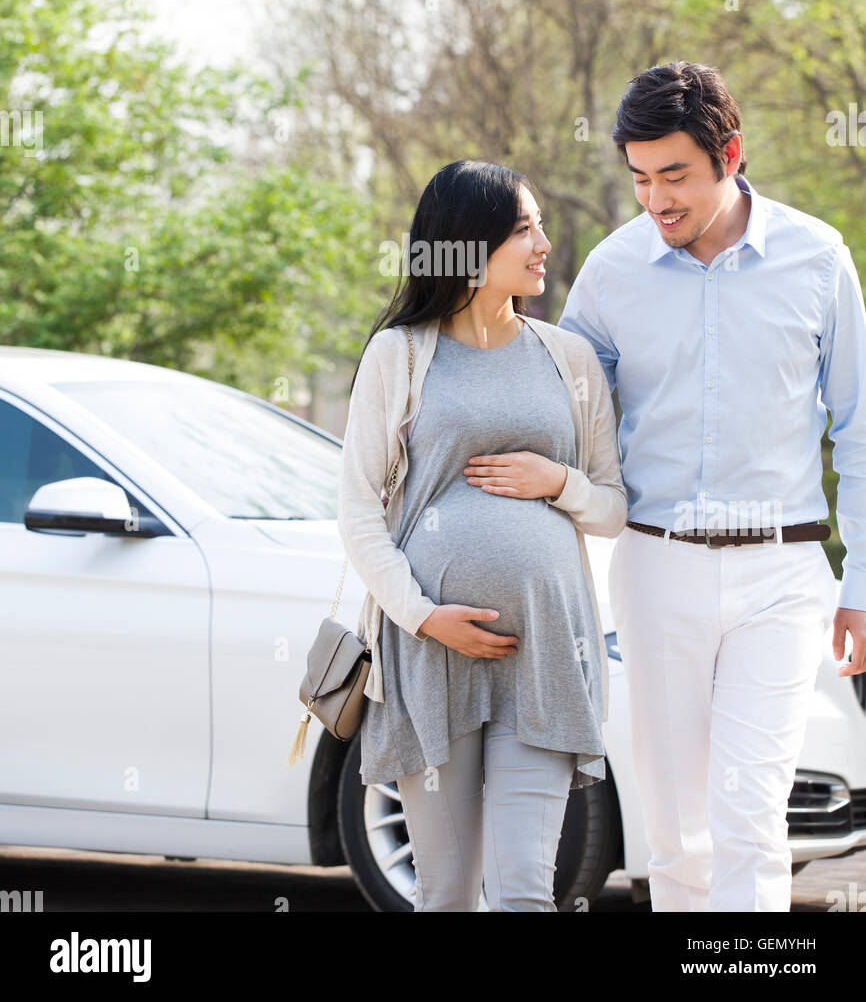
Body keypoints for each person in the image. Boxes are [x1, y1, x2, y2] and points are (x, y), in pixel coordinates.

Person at [558, 59, 866, 912]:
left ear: (730, 154)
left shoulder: (817, 257)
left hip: (783, 573)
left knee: (751, 816)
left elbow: (862, 427)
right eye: (641, 179)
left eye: (676, 177)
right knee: (678, 832)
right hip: (657, 570)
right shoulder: (613, 271)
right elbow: (560, 412)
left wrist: (863, 586)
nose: (657, 201)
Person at [337, 159, 627, 911]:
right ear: (468, 246)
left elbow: (612, 508)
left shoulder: (568, 358)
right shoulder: (399, 355)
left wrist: (555, 481)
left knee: (528, 891)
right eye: (522, 228)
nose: (543, 242)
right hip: (433, 658)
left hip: (548, 656)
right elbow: (358, 510)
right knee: (447, 895)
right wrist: (424, 614)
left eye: (537, 224)